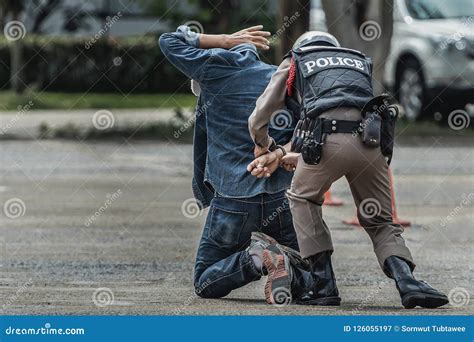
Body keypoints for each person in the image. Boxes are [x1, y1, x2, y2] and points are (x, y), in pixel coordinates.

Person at [247, 31, 449, 309]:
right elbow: (347, 110)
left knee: (303, 199)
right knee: (380, 220)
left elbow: (261, 112)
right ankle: (407, 282)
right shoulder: (356, 60)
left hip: (324, 142)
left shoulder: (297, 59)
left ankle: (323, 285)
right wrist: (287, 152)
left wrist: (263, 144)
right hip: (370, 142)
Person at [159, 25, 314, 305]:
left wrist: (223, 39)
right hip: (282, 196)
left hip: (234, 198)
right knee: (307, 277)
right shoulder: (277, 77)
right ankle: (285, 265)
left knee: (205, 280)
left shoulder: (214, 70)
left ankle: (257, 258)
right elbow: (303, 134)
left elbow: (169, 39)